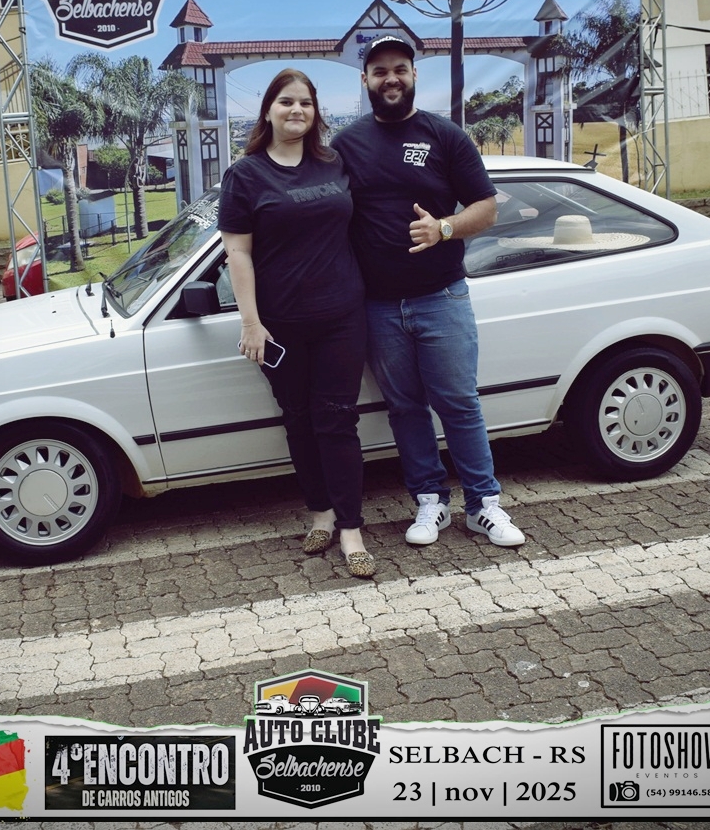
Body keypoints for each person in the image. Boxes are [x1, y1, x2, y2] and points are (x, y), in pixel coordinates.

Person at [331, 35, 526, 548]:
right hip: (377, 306)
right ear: (365, 80)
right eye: (379, 71)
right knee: (405, 408)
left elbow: (487, 208)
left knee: (459, 403)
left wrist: (443, 228)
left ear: (414, 74)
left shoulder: (446, 137)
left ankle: (483, 505)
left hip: (442, 297)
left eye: (400, 68)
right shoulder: (346, 145)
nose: (390, 78)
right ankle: (430, 500)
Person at [217, 68, 375, 578]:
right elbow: (238, 253)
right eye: (286, 101)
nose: (296, 110)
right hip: (281, 325)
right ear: (268, 109)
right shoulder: (245, 175)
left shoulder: (334, 163)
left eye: (305, 102)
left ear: (315, 112)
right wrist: (251, 323)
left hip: (341, 317)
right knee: (299, 420)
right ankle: (320, 514)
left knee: (337, 419)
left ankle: (350, 528)